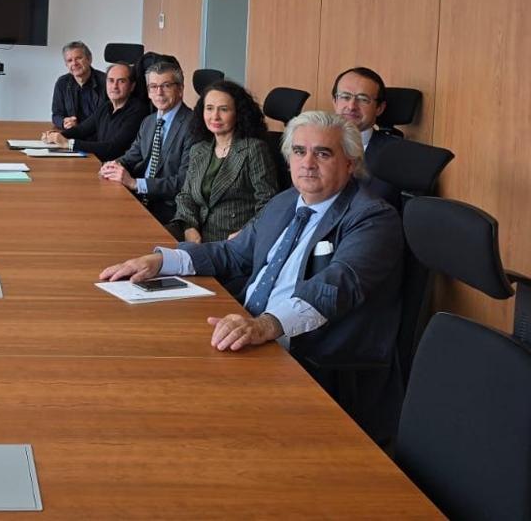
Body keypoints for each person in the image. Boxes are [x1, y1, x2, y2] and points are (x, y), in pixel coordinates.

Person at [99, 111, 404, 443]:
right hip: (247, 331)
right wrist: (161, 260)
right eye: (299, 152)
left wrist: (265, 325)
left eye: (324, 153)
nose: (308, 163)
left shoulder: (373, 218)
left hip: (309, 358)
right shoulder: (286, 201)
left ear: (350, 163)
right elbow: (234, 252)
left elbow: (337, 286)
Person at [167, 80, 277, 243]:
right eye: (209, 108)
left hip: (231, 240)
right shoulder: (199, 149)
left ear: (238, 113)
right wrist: (189, 227)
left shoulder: (254, 149)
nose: (215, 116)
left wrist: (245, 233)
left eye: (223, 109)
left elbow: (268, 202)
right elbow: (186, 195)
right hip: (195, 234)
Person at [99, 60, 197, 224]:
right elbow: (131, 156)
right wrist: (112, 166)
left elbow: (184, 182)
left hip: (169, 209)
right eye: (153, 86)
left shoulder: (193, 125)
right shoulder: (149, 122)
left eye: (166, 86)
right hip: (139, 199)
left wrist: (136, 184)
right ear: (148, 91)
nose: (159, 92)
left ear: (180, 89)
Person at [40, 62, 147, 161]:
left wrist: (69, 143)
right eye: (111, 80)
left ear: (132, 86)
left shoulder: (138, 111)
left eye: (121, 81)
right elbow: (82, 130)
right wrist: (56, 136)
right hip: (100, 163)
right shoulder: (106, 106)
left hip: (119, 170)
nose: (114, 86)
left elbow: (113, 148)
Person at [331, 66, 399, 206]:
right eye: (345, 97)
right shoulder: (313, 145)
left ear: (379, 108)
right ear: (335, 102)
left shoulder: (398, 156)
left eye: (363, 99)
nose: (351, 106)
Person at [50, 41, 106, 129]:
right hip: (74, 133)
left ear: (89, 59)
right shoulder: (62, 83)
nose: (74, 63)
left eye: (78, 58)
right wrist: (64, 122)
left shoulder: (106, 81)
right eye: (69, 60)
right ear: (66, 65)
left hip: (99, 134)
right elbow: (56, 115)